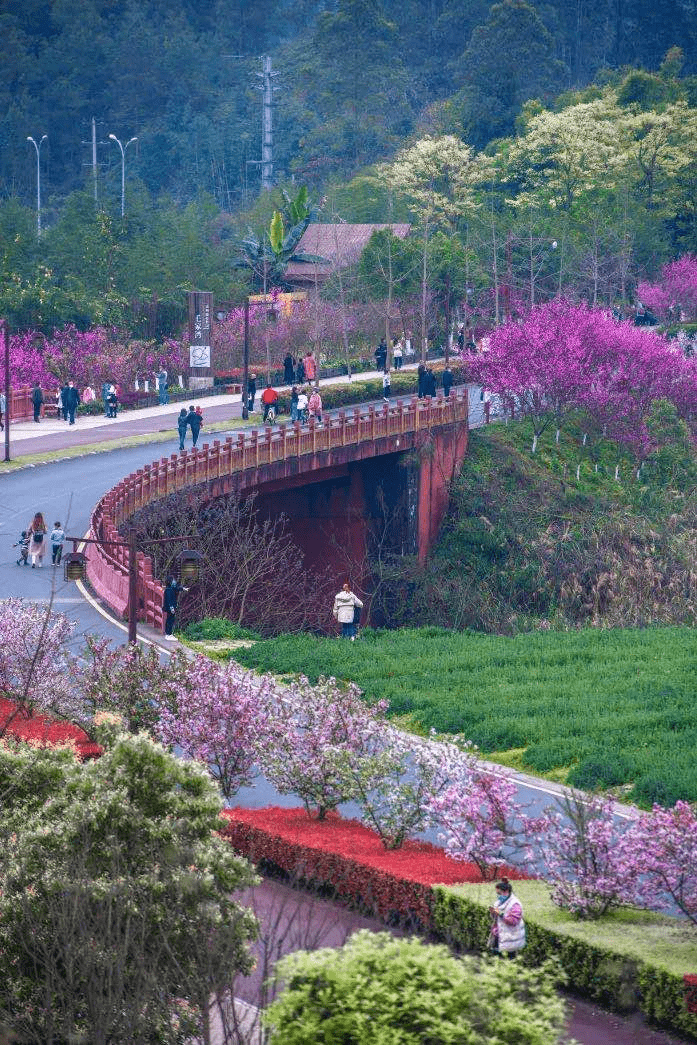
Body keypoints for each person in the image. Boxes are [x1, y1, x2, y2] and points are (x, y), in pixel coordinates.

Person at [488, 877, 525, 957]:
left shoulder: (515, 904)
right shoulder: (498, 902)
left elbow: (513, 921)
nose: (498, 896)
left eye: (499, 893)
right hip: (499, 936)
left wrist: (500, 914)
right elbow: (496, 919)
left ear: (506, 892)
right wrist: (493, 913)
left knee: (510, 960)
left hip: (511, 938)